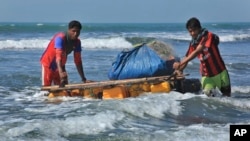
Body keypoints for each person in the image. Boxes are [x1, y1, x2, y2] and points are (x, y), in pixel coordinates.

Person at [173, 17, 231, 97]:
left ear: (199, 28)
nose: (192, 33)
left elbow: (197, 51)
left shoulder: (208, 36)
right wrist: (178, 69)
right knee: (208, 100)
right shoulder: (193, 44)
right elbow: (186, 58)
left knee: (227, 98)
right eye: (190, 31)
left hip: (220, 73)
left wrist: (180, 63)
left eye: (194, 30)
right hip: (207, 76)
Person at [40, 20, 88, 87]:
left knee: (64, 88)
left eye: (78, 31)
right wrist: (61, 72)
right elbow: (58, 57)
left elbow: (78, 61)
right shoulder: (60, 38)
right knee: (46, 88)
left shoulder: (77, 42)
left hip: (61, 65)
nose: (76, 34)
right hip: (48, 64)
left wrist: (83, 79)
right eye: (73, 31)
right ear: (69, 30)